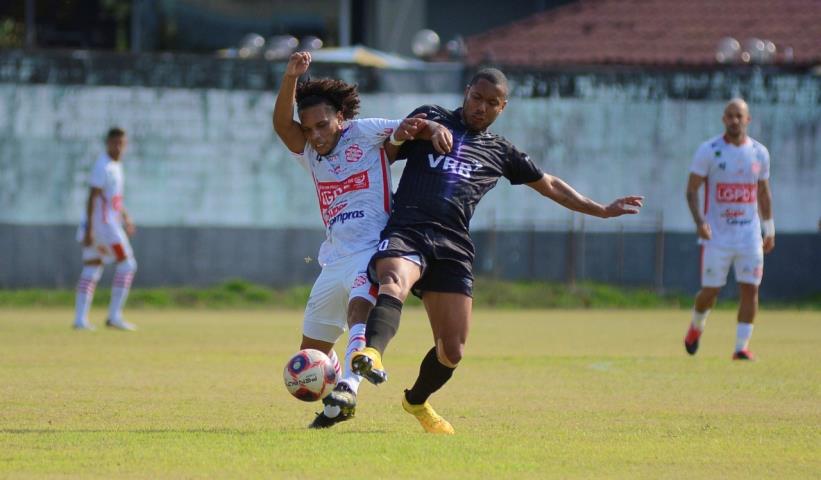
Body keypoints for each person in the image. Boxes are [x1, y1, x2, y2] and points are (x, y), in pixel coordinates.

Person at [350, 68, 644, 434]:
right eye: (477, 98)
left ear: (503, 107)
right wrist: (417, 130)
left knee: (452, 351)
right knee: (394, 281)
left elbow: (549, 184)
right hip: (408, 229)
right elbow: (386, 154)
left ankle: (416, 401)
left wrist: (600, 210)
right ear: (467, 92)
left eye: (492, 103)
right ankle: (372, 353)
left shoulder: (500, 151)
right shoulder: (431, 117)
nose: (481, 107)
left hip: (453, 244)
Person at [273, 52, 431, 428]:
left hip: (373, 249)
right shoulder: (310, 153)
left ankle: (349, 385)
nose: (316, 135)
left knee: (361, 307)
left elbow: (409, 127)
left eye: (322, 125)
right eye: (309, 129)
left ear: (340, 118)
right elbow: (282, 125)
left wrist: (426, 129)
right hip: (333, 260)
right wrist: (290, 77)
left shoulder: (364, 132)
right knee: (310, 358)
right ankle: (336, 399)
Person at [683, 98, 774, 361]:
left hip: (749, 236)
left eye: (739, 116)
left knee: (750, 288)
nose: (734, 120)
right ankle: (696, 326)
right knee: (711, 292)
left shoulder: (759, 153)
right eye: (730, 116)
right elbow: (691, 190)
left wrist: (769, 228)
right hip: (717, 236)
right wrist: (699, 222)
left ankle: (741, 348)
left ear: (748, 120)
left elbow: (763, 192)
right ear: (724, 119)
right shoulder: (709, 151)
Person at [73, 127, 138, 331]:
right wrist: (90, 230)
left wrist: (125, 216)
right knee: (127, 265)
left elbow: (112, 200)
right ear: (107, 143)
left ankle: (80, 320)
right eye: (114, 143)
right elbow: (92, 197)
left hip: (103, 224)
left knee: (92, 267)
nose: (118, 147)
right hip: (105, 227)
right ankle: (114, 316)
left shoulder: (116, 166)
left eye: (121, 143)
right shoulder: (103, 166)